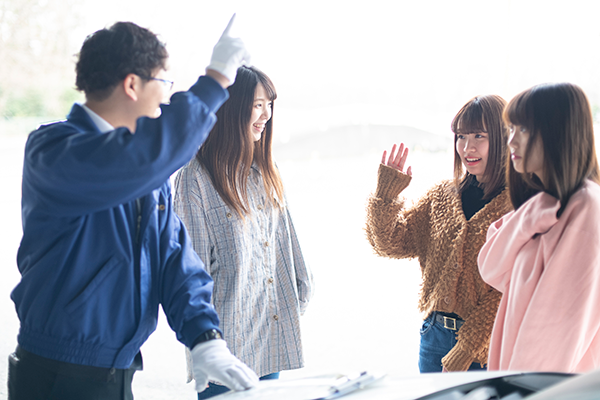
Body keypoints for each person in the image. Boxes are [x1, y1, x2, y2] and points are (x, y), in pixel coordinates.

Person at [9, 16, 260, 400]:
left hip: (117, 371)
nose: (166, 98)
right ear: (132, 84)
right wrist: (215, 82)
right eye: (164, 84)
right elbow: (137, 159)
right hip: (56, 373)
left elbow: (173, 255)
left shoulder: (147, 170)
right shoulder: (54, 152)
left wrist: (205, 336)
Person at [173, 66, 313, 399]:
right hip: (225, 346)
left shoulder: (265, 167)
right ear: (232, 107)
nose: (266, 114)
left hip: (269, 335)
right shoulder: (196, 178)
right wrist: (202, 340)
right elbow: (193, 271)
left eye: (270, 104)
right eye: (257, 104)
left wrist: (299, 292)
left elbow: (286, 244)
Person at [365, 95, 513, 373]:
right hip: (434, 338)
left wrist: (467, 346)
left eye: (479, 136)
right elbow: (389, 244)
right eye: (461, 136)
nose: (467, 147)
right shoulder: (442, 196)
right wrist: (385, 195)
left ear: (503, 137)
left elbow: (509, 288)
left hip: (487, 346)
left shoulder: (518, 204)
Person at [478, 82, 600, 373]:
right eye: (512, 129)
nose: (512, 142)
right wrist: (529, 215)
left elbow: (553, 329)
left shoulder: (586, 209)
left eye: (524, 130)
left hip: (544, 386)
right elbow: (491, 269)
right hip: (522, 378)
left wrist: (517, 390)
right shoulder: (543, 205)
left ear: (559, 133)